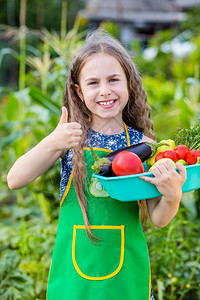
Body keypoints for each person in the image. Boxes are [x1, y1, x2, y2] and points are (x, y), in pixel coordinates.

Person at [7, 30, 187, 300]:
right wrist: (52, 142)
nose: (105, 91)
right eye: (93, 83)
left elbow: (159, 219)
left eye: (114, 79)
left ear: (129, 83)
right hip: (76, 278)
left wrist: (172, 195)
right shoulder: (69, 138)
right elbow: (15, 179)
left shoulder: (146, 145)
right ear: (78, 91)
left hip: (127, 275)